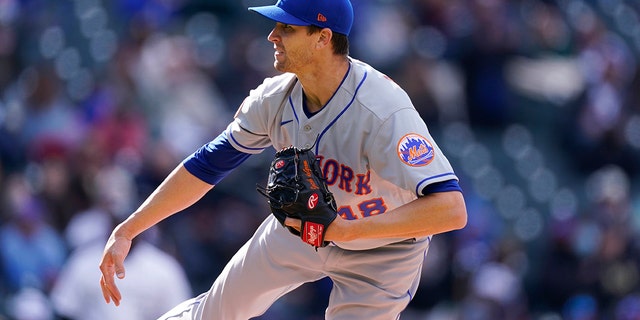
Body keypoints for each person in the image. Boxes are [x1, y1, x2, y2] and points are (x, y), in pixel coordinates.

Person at [98, 0, 468, 319]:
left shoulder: (383, 112)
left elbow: (451, 209)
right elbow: (207, 166)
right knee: (215, 312)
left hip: (385, 251)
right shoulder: (274, 99)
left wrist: (347, 230)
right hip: (304, 229)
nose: (272, 36)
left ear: (323, 38)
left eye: (286, 28)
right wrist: (129, 229)